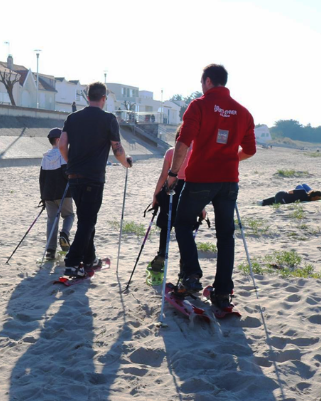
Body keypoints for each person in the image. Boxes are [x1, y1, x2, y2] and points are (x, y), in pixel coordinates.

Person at [166, 64, 256, 309]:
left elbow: (183, 142)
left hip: (201, 178)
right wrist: (229, 158)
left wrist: (173, 174)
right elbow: (250, 150)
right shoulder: (243, 112)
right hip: (229, 180)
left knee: (183, 224)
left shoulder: (199, 105)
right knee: (226, 235)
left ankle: (191, 276)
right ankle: (223, 291)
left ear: (207, 81)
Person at [58, 81, 133, 278]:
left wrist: (71, 162)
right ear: (104, 98)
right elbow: (117, 149)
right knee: (88, 221)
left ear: (88, 97)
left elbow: (62, 145)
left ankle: (90, 259)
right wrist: (126, 163)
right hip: (93, 178)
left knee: (86, 219)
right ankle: (72, 262)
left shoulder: (72, 118)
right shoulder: (108, 119)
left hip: (74, 176)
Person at [147, 125, 206, 282]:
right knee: (185, 230)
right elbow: (199, 179)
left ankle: (161, 253)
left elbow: (163, 176)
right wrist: (202, 206)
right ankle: (184, 264)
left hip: (170, 189)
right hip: (190, 191)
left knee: (166, 225)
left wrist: (156, 195)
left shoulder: (171, 152)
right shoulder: (196, 153)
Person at [40, 128, 74, 260]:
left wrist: (43, 197)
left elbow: (42, 179)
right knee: (69, 215)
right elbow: (67, 174)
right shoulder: (63, 154)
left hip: (48, 194)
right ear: (58, 140)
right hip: (63, 193)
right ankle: (64, 234)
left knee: (52, 220)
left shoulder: (45, 157)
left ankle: (50, 250)